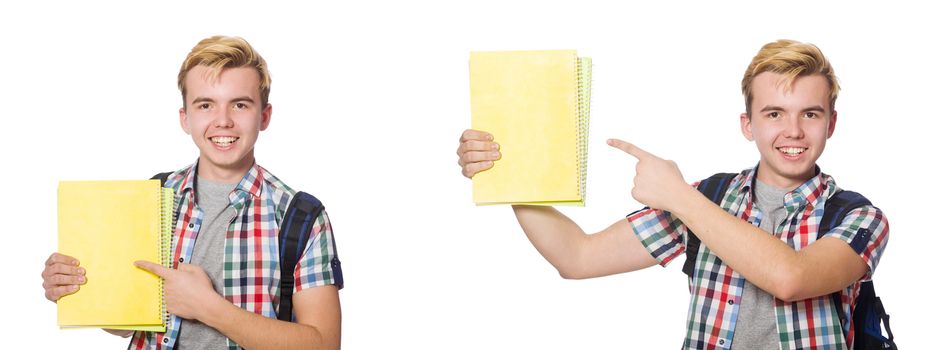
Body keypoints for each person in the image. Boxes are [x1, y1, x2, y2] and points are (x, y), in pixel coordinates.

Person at [456, 39, 888, 349]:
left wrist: (678, 196)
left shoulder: (859, 217)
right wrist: (508, 174)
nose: (793, 131)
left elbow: (790, 279)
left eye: (809, 114)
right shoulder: (710, 198)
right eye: (774, 113)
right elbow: (577, 257)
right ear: (748, 124)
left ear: (830, 123)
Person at [41, 35, 342, 350]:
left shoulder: (301, 217)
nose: (223, 121)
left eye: (240, 104)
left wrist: (208, 307)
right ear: (185, 118)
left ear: (264, 116)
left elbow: (323, 344)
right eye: (206, 105)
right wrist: (76, 288)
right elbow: (126, 325)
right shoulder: (151, 197)